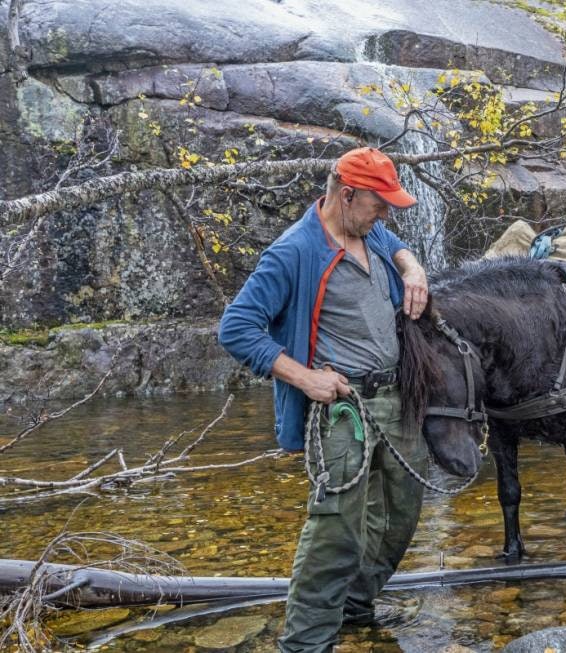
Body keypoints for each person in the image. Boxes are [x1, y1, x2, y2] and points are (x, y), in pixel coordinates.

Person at [218, 147, 430, 652]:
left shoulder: (368, 230)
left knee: (402, 511)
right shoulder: (293, 251)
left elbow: (392, 240)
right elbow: (236, 327)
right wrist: (305, 378)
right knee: (336, 527)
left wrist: (412, 264)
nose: (387, 215)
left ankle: (355, 608)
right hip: (341, 406)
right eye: (380, 204)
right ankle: (306, 643)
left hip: (395, 397)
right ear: (347, 194)